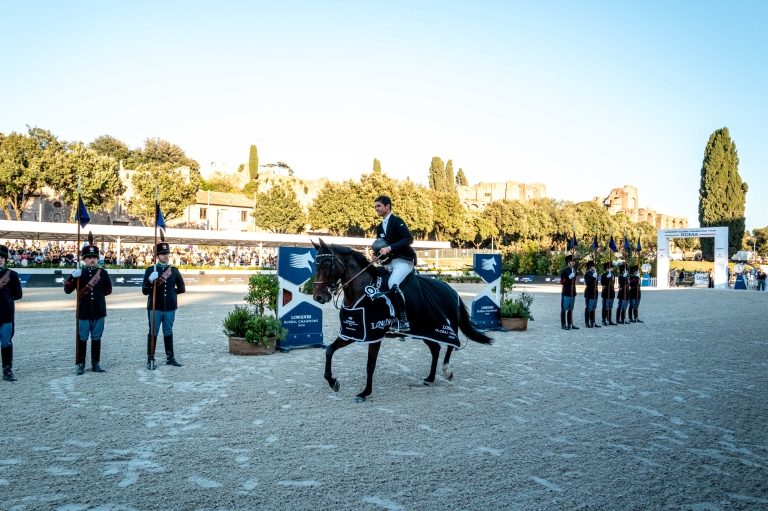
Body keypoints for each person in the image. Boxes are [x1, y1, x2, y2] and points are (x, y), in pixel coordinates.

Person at [64, 239, 113, 375]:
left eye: (94, 257)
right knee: (83, 337)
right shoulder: (79, 273)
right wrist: (72, 277)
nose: (92, 260)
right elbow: (67, 290)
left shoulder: (103, 273)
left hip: (98, 310)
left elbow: (108, 290)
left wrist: (97, 296)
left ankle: (95, 363)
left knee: (96, 337)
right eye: (89, 257)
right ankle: (81, 363)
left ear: (97, 259)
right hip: (84, 310)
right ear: (84, 259)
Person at [373, 195, 417, 332]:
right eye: (375, 207)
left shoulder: (397, 221)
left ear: (388, 206)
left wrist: (390, 248)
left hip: (403, 260)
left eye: (379, 206)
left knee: (393, 283)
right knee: (375, 280)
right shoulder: (379, 227)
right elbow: (379, 246)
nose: (376, 209)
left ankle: (404, 320)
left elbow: (409, 239)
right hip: (388, 262)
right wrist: (376, 256)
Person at [142, 240, 185, 370]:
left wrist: (172, 294)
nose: (165, 256)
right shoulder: (151, 270)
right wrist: (150, 280)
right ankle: (150, 358)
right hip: (155, 306)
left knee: (168, 332)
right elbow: (145, 291)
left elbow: (182, 288)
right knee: (153, 332)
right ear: (157, 256)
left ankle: (170, 357)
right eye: (162, 254)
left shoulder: (174, 271)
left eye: (166, 253)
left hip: (170, 307)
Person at [0, 245, 23, 382]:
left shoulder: (12, 275)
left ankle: (7, 370)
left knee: (6, 342)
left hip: (6, 315)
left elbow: (18, 294)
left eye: (2, 257)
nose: (0, 260)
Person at [559, 254, 579, 330]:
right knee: (564, 308)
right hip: (566, 292)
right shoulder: (565, 270)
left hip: (572, 292)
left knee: (571, 308)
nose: (574, 262)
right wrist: (568, 278)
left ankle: (570, 323)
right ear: (568, 262)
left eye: (574, 261)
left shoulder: (573, 270)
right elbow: (562, 281)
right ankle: (563, 324)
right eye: (572, 261)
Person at [583, 260, 601, 329]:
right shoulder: (587, 273)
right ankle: (587, 322)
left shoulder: (595, 273)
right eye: (593, 266)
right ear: (590, 267)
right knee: (588, 307)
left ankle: (593, 321)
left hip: (595, 291)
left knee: (593, 307)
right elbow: (587, 283)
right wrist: (592, 277)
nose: (594, 267)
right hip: (589, 292)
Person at [600, 261, 617, 326]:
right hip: (606, 292)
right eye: (611, 267)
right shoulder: (604, 275)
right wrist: (607, 277)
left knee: (610, 306)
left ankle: (609, 319)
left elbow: (613, 283)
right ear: (607, 268)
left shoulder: (613, 274)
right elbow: (603, 283)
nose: (612, 268)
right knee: (605, 306)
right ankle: (603, 319)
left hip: (611, 292)